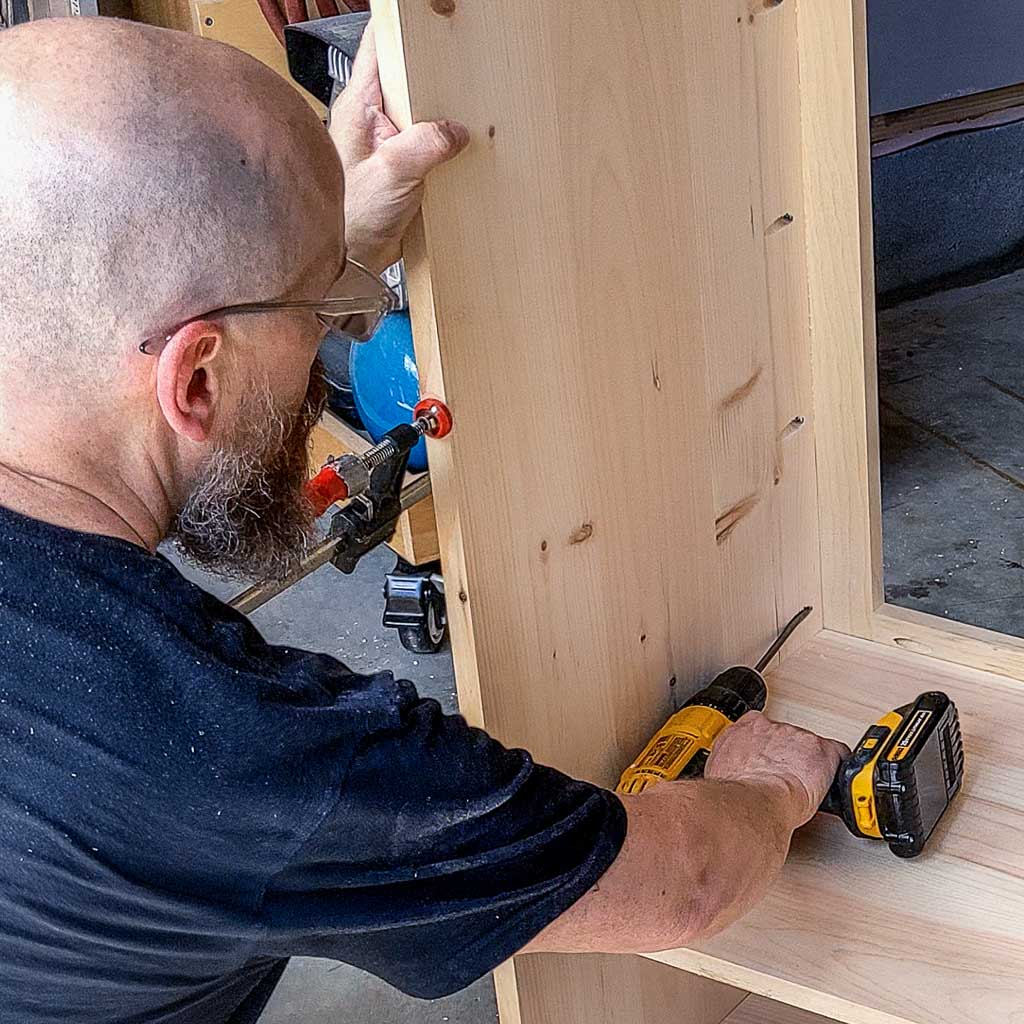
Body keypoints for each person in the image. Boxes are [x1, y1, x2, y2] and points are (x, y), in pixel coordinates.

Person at [0, 16, 847, 1024]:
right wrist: (766, 791)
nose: (327, 359)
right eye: (317, 326)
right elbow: (686, 883)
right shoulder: (240, 755)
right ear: (196, 378)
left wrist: (315, 243)